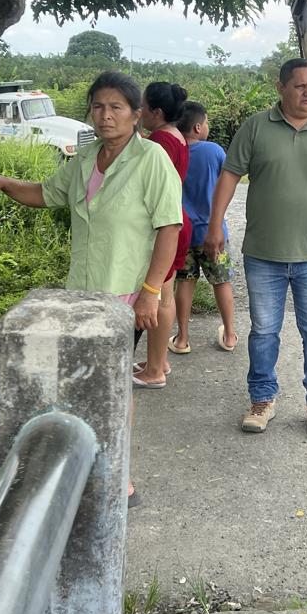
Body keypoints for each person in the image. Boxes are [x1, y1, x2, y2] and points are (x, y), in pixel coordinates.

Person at [0, 70, 183, 505]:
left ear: (136, 114)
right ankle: (87, 466)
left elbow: (169, 228)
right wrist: (3, 183)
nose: (106, 116)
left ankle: (117, 477)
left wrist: (151, 291)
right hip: (81, 295)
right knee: (83, 386)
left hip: (124, 295)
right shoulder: (86, 158)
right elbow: (46, 194)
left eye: (116, 107)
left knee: (111, 386)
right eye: (98, 107)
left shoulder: (151, 159)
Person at [205, 59, 307, 438]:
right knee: (264, 331)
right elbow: (229, 176)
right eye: (300, 86)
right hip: (264, 254)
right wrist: (215, 225)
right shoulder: (255, 127)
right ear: (280, 87)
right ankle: (262, 398)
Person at [131, 81, 192, 388]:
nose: (138, 111)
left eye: (142, 106)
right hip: (176, 218)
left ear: (156, 112)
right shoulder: (175, 135)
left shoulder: (159, 141)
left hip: (164, 223)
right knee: (164, 294)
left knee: (160, 296)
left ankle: (155, 369)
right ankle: (159, 360)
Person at [171, 101, 236, 354]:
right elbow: (227, 182)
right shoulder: (214, 151)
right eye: (206, 122)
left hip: (181, 234)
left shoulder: (172, 152)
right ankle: (229, 335)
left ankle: (182, 338)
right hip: (214, 233)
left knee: (184, 283)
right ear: (198, 127)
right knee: (221, 282)